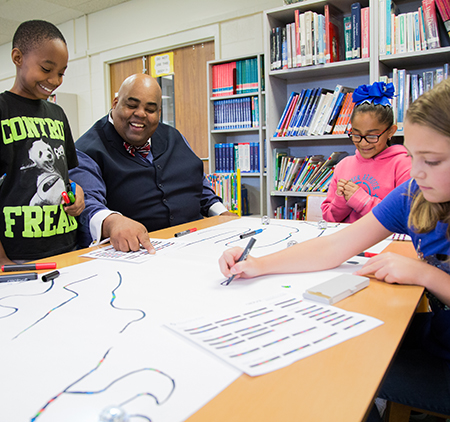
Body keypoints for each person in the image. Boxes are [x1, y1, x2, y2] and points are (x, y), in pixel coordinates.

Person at [219, 79, 450, 419]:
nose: (416, 172)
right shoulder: (414, 196)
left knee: (341, 377)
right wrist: (259, 264)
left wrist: (425, 274)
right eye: (413, 156)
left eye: (430, 160)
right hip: (437, 338)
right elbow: (336, 245)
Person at [69, 73, 234, 253]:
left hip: (197, 242)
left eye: (150, 109)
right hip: (138, 252)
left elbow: (197, 183)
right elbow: (88, 203)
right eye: (131, 105)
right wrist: (113, 222)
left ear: (159, 113)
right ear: (115, 104)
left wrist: (221, 213)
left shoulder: (174, 136)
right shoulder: (87, 149)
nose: (140, 114)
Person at [0, 20, 84, 266]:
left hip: (67, 245)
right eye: (47, 69)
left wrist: (76, 192)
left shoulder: (57, 114)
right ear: (18, 57)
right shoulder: (2, 109)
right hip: (18, 254)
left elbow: (65, 173)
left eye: (61, 73)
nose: (55, 80)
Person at [321, 82, 411, 223]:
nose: (363, 143)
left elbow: (406, 218)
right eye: (356, 135)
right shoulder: (344, 165)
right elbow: (329, 218)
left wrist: (361, 200)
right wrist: (341, 200)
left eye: (372, 136)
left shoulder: (403, 164)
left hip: (386, 243)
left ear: (391, 132)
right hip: (348, 241)